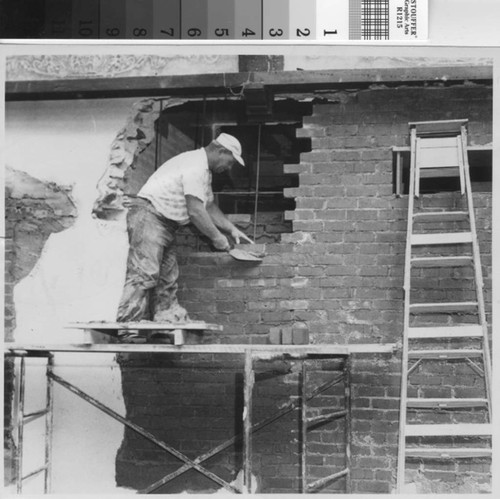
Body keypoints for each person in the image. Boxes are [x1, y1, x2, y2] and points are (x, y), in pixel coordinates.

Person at [116, 133, 252, 336]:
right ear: (221, 151)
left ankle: (166, 319)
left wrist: (230, 229)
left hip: (166, 222)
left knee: (168, 277)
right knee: (145, 271)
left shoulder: (204, 171)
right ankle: (127, 326)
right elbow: (196, 211)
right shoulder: (195, 165)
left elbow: (209, 206)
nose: (229, 167)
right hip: (150, 215)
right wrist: (217, 238)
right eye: (230, 162)